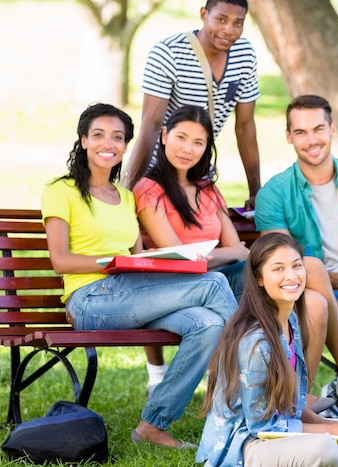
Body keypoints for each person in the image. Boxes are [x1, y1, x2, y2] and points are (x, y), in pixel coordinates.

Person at [133, 104, 338, 408]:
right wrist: (216, 254)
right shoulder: (148, 189)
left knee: (315, 298)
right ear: (163, 136)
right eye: (181, 138)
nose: (188, 149)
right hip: (191, 289)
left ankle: (296, 398)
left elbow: (238, 248)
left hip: (228, 279)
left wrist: (210, 255)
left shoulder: (206, 189)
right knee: (311, 268)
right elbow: (183, 261)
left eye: (198, 142)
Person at [41, 103, 238, 448]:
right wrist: (111, 262)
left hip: (129, 293)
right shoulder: (61, 191)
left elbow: (140, 258)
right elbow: (61, 260)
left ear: (126, 145)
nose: (109, 143)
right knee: (216, 283)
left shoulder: (126, 197)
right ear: (84, 140)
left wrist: (157, 260)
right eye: (99, 135)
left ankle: (151, 426)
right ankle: (260, 388)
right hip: (90, 300)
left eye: (118, 137)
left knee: (207, 323)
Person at [196, 233, 338, 466]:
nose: (291, 276)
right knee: (326, 449)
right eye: (278, 269)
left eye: (297, 266)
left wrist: (330, 425)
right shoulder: (256, 342)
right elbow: (262, 426)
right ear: (259, 278)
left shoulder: (290, 319)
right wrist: (331, 433)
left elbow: (291, 403)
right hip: (247, 444)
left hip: (283, 434)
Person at [255, 94, 338, 377]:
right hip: (312, 287)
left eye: (318, 129)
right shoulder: (274, 194)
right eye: (301, 132)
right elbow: (283, 267)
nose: (311, 140)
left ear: (332, 129)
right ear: (289, 137)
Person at [125, 0, 261, 210]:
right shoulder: (168, 53)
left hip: (199, 170)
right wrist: (130, 189)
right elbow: (151, 125)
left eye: (238, 23)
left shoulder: (245, 55)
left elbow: (245, 127)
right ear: (204, 14)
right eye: (221, 19)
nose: (229, 30)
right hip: (156, 171)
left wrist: (256, 192)